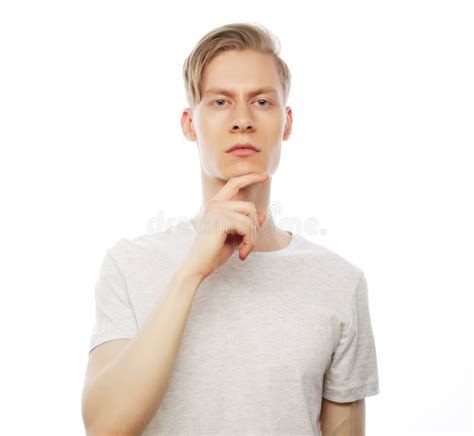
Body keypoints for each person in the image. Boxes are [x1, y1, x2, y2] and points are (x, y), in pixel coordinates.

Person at [81, 22, 380, 435]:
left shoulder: (339, 282)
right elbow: (104, 427)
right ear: (190, 124)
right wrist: (191, 272)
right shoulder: (129, 265)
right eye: (220, 102)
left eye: (261, 101)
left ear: (287, 122)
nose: (242, 120)